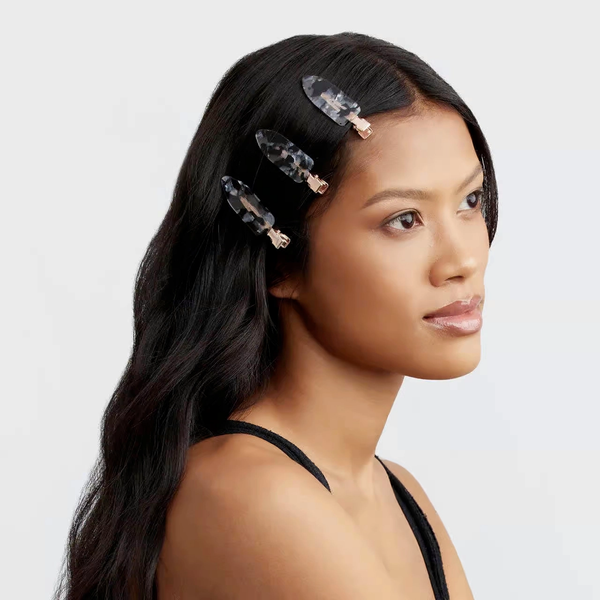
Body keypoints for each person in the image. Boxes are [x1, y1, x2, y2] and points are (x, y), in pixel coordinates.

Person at [54, 31, 497, 600]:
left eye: (470, 201)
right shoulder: (249, 494)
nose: (462, 260)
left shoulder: (400, 496)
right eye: (403, 220)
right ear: (278, 263)